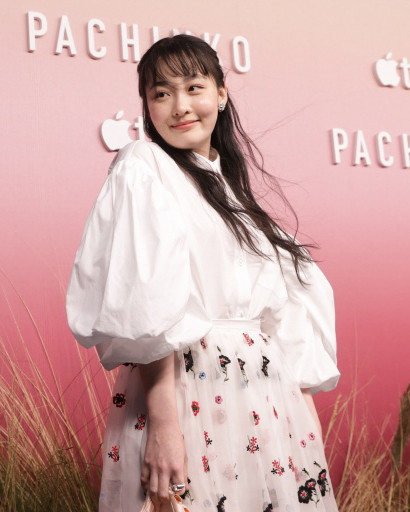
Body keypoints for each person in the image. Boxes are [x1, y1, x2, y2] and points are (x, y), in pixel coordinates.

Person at [66, 34, 340, 512]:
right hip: (186, 398)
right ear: (147, 106)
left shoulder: (239, 201)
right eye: (161, 93)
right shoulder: (144, 166)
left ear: (221, 94)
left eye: (194, 87)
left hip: (266, 412)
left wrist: (302, 440)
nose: (180, 106)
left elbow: (289, 330)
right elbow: (148, 309)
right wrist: (164, 427)